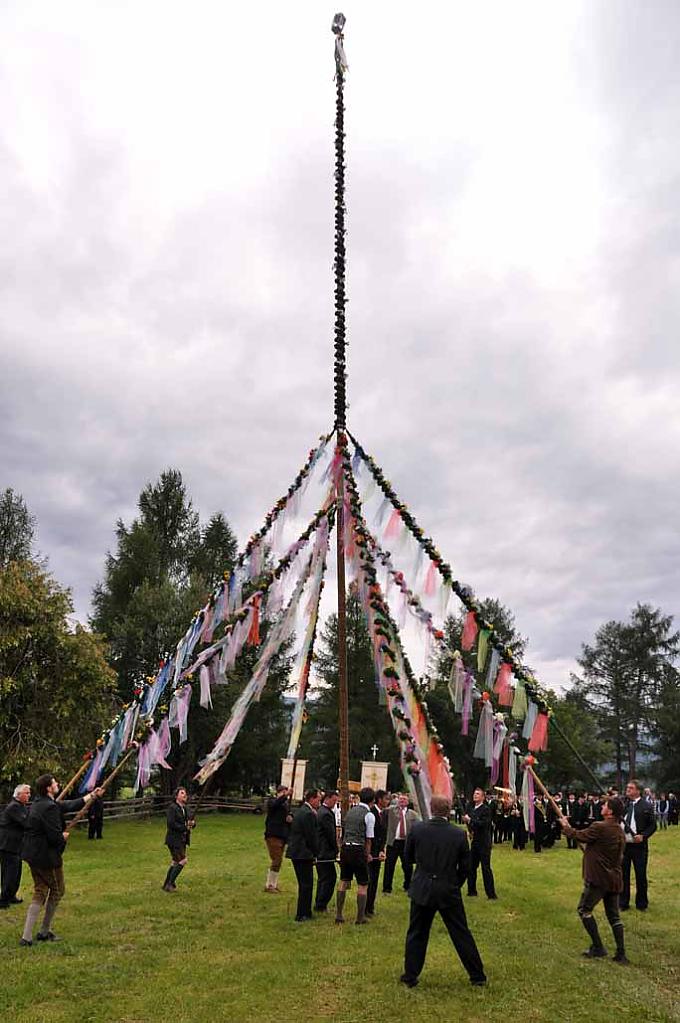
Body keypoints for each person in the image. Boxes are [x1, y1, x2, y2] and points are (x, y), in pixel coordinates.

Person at [401, 794, 486, 989]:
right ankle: (477, 975)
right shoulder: (458, 834)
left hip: (423, 886)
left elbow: (408, 857)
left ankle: (410, 975)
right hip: (448, 888)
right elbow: (466, 867)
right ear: (449, 811)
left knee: (417, 933)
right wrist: (455, 883)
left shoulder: (417, 829)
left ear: (431, 809)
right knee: (460, 932)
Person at [20, 774, 103, 946]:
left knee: (40, 891)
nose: (57, 783)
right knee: (58, 890)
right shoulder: (49, 807)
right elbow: (53, 836)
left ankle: (27, 937)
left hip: (33, 855)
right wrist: (62, 837)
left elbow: (67, 805)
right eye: (54, 782)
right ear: (48, 788)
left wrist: (92, 795)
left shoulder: (40, 803)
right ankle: (44, 931)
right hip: (46, 858)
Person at [559, 797, 628, 963]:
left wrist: (565, 826)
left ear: (610, 811)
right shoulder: (619, 830)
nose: (602, 806)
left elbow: (580, 835)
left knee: (584, 910)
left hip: (598, 879)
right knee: (614, 916)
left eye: (605, 805)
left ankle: (598, 947)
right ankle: (621, 953)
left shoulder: (600, 826)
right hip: (614, 878)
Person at [336, 786, 375, 925]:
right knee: (363, 884)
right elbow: (368, 839)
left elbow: (343, 831)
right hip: (358, 849)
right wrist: (368, 855)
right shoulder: (369, 815)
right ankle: (360, 918)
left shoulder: (351, 811)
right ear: (372, 800)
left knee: (343, 880)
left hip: (346, 847)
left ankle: (339, 915)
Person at [620, 779, 656, 912]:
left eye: (631, 788)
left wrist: (643, 836)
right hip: (624, 846)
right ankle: (623, 902)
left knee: (640, 875)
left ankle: (641, 904)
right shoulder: (623, 804)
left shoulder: (646, 806)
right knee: (623, 875)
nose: (627, 790)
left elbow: (653, 825)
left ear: (638, 791)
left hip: (639, 847)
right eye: (627, 788)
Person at [286, 789, 320, 922]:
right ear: (311, 799)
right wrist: (316, 853)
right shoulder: (308, 814)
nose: (319, 802)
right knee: (306, 884)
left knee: (304, 884)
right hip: (303, 853)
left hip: (296, 852)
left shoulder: (301, 811)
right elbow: (311, 836)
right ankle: (302, 913)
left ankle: (305, 911)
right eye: (318, 799)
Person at [0, 783, 31, 909]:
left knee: (16, 872)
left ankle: (11, 895)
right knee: (9, 873)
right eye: (26, 793)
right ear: (18, 794)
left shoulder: (22, 806)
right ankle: (3, 899)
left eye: (29, 793)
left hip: (17, 845)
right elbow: (26, 822)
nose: (29, 795)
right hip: (8, 845)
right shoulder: (14, 807)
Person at [463, 788, 497, 899]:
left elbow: (484, 824)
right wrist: (469, 826)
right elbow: (472, 825)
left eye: (478, 794)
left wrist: (470, 820)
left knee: (485, 868)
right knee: (471, 867)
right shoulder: (472, 809)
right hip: (475, 842)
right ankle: (471, 891)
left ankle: (491, 894)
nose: (475, 795)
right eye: (474, 793)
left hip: (484, 843)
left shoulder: (486, 809)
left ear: (482, 797)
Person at [383, 793, 418, 894]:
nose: (402, 801)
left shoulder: (413, 814)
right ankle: (387, 888)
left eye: (404, 799)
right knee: (389, 866)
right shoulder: (391, 810)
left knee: (408, 866)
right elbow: (383, 811)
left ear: (408, 802)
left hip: (406, 843)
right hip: (393, 842)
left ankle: (408, 886)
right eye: (400, 799)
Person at [162, 786, 195, 892]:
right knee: (183, 861)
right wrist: (185, 827)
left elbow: (191, 821)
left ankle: (166, 884)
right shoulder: (172, 808)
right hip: (174, 839)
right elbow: (171, 824)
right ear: (176, 796)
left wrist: (192, 823)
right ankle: (170, 884)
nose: (185, 795)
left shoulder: (186, 808)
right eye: (182, 793)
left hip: (182, 839)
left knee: (175, 862)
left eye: (185, 793)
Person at [263, 785, 292, 893]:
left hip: (282, 835)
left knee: (278, 861)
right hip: (273, 835)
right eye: (284, 792)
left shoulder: (284, 804)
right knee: (277, 859)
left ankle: (273, 884)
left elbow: (286, 815)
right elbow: (276, 804)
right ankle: (269, 885)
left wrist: (290, 818)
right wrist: (285, 796)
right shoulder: (272, 801)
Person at [366, 789, 389, 917]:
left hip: (378, 852)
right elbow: (370, 835)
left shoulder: (383, 814)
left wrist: (381, 850)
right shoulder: (371, 813)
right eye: (386, 799)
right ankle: (366, 907)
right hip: (371, 852)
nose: (388, 801)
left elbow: (383, 834)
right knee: (370, 880)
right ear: (379, 800)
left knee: (374, 881)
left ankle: (370, 907)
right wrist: (370, 852)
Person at [314, 790, 339, 913]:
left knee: (323, 878)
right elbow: (331, 835)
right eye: (334, 801)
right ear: (327, 799)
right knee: (329, 878)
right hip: (325, 852)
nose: (335, 803)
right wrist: (336, 849)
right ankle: (321, 904)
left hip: (320, 851)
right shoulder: (326, 814)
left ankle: (319, 902)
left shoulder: (321, 811)